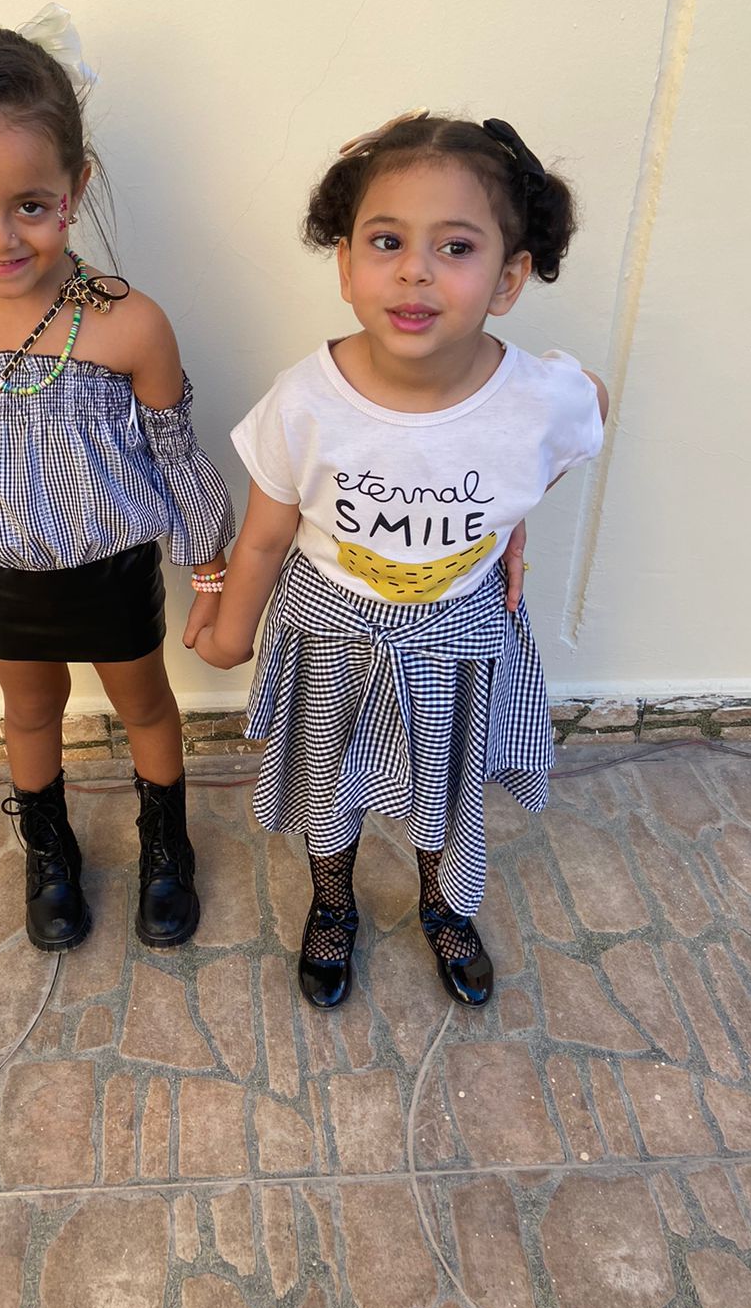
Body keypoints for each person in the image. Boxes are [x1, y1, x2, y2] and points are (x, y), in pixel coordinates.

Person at [194, 110, 607, 1008]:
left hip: (458, 637)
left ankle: (444, 906)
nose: (416, 270)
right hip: (332, 635)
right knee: (329, 787)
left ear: (509, 278)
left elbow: (589, 410)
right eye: (388, 242)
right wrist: (229, 631)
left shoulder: (537, 400)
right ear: (347, 265)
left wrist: (510, 518)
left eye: (455, 247)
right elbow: (264, 535)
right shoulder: (305, 400)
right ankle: (333, 902)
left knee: (446, 791)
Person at [0, 7, 235, 954]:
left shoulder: (129, 323)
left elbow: (176, 452)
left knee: (145, 703)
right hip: (2, 571)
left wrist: (211, 571)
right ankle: (50, 849)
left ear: (77, 186)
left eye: (30, 204)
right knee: (30, 711)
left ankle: (166, 843)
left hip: (112, 569)